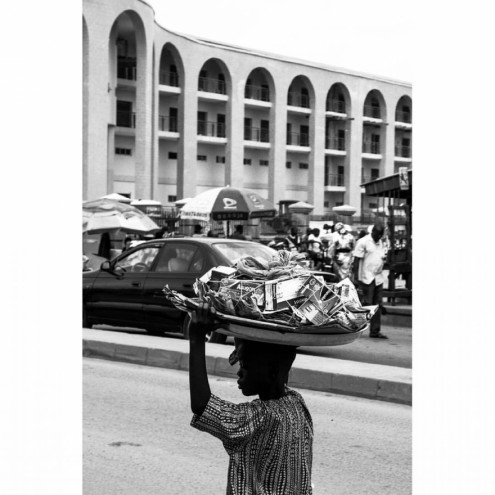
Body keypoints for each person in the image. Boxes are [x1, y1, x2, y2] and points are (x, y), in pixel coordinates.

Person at [189, 304, 314, 494]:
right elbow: (280, 362)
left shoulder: (258, 418)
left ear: (271, 371)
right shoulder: (297, 404)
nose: (238, 372)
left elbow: (202, 405)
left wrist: (197, 339)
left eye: (245, 365)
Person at [352, 222, 388, 339]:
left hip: (378, 278)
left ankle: (375, 331)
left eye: (380, 235)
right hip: (366, 277)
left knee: (377, 305)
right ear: (373, 232)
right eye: (377, 235)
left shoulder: (381, 242)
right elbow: (356, 261)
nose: (378, 237)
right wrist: (356, 279)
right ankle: (355, 327)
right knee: (365, 304)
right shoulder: (363, 241)